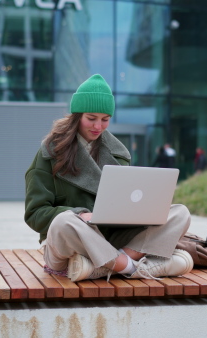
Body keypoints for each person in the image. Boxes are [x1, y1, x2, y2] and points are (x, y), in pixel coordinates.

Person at [24, 74, 193, 282]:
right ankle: (133, 267)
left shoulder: (118, 153)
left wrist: (142, 212)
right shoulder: (50, 152)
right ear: (77, 115)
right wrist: (79, 214)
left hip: (111, 240)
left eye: (105, 120)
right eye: (91, 118)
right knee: (63, 221)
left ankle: (105, 266)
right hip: (71, 245)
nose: (98, 126)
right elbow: (34, 213)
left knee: (179, 213)